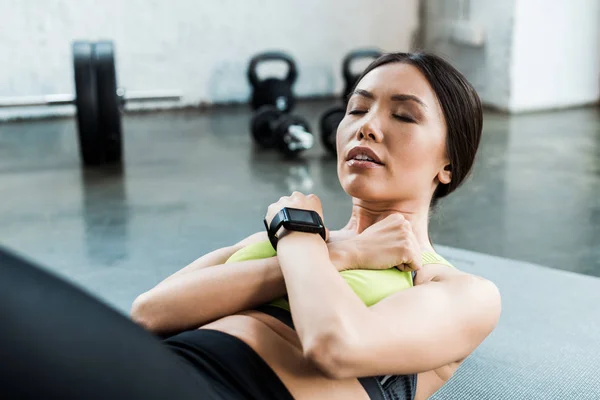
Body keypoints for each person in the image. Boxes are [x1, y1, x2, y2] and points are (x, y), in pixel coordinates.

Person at [0, 52, 501, 400]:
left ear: (449, 164)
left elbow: (337, 345)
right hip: (155, 365)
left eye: (404, 116)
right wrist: (339, 252)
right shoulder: (296, 239)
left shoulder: (457, 289)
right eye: (357, 108)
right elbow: (150, 313)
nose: (367, 125)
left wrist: (303, 237)